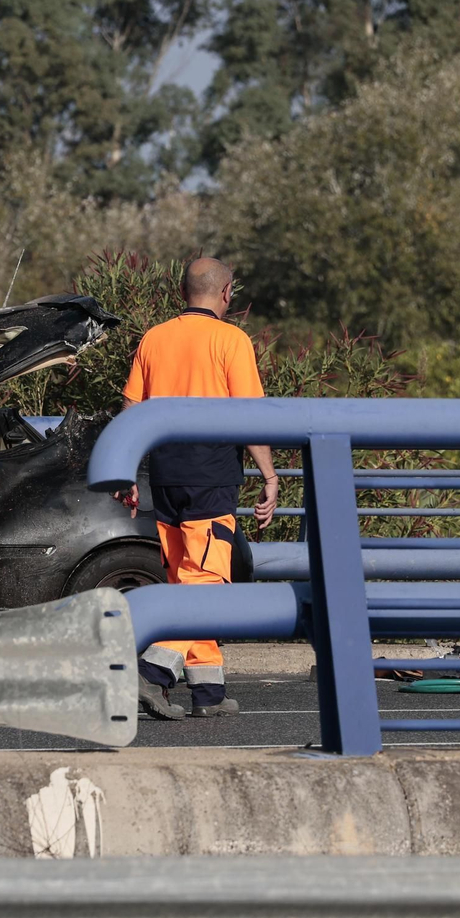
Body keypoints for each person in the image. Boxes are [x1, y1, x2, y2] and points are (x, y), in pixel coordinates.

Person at [119, 257, 278, 719]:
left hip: (164, 474)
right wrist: (269, 476)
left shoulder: (155, 337)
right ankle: (152, 674)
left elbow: (131, 408)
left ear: (182, 290)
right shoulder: (231, 340)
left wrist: (126, 471)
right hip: (211, 475)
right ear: (227, 292)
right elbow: (251, 415)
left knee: (184, 578)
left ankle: (207, 691)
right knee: (205, 581)